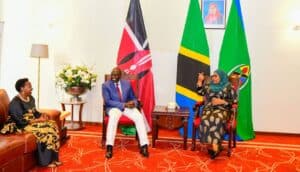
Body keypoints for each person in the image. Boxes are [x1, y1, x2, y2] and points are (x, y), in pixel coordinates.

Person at [8, 78, 61, 167]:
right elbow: (20, 121)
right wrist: (38, 120)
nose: (31, 88)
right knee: (45, 130)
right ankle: (45, 162)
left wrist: (42, 115)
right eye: (29, 86)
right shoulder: (15, 102)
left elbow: (34, 112)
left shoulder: (31, 98)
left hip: (31, 122)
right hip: (19, 125)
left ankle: (53, 159)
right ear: (22, 88)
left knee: (52, 124)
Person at [102, 67, 149, 159]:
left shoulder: (127, 84)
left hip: (127, 107)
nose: (114, 76)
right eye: (112, 74)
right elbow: (107, 101)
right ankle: (109, 147)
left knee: (139, 117)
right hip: (114, 107)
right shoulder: (105, 85)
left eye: (116, 74)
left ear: (120, 75)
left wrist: (133, 103)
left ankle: (144, 146)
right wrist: (124, 105)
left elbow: (133, 97)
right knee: (113, 118)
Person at [196, 70, 237, 159]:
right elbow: (200, 92)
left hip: (223, 109)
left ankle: (215, 146)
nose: (213, 78)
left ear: (221, 77)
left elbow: (234, 102)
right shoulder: (209, 85)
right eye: (213, 76)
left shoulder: (228, 87)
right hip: (209, 109)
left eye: (216, 76)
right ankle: (213, 145)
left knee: (217, 118)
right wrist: (200, 81)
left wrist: (222, 101)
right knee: (206, 118)